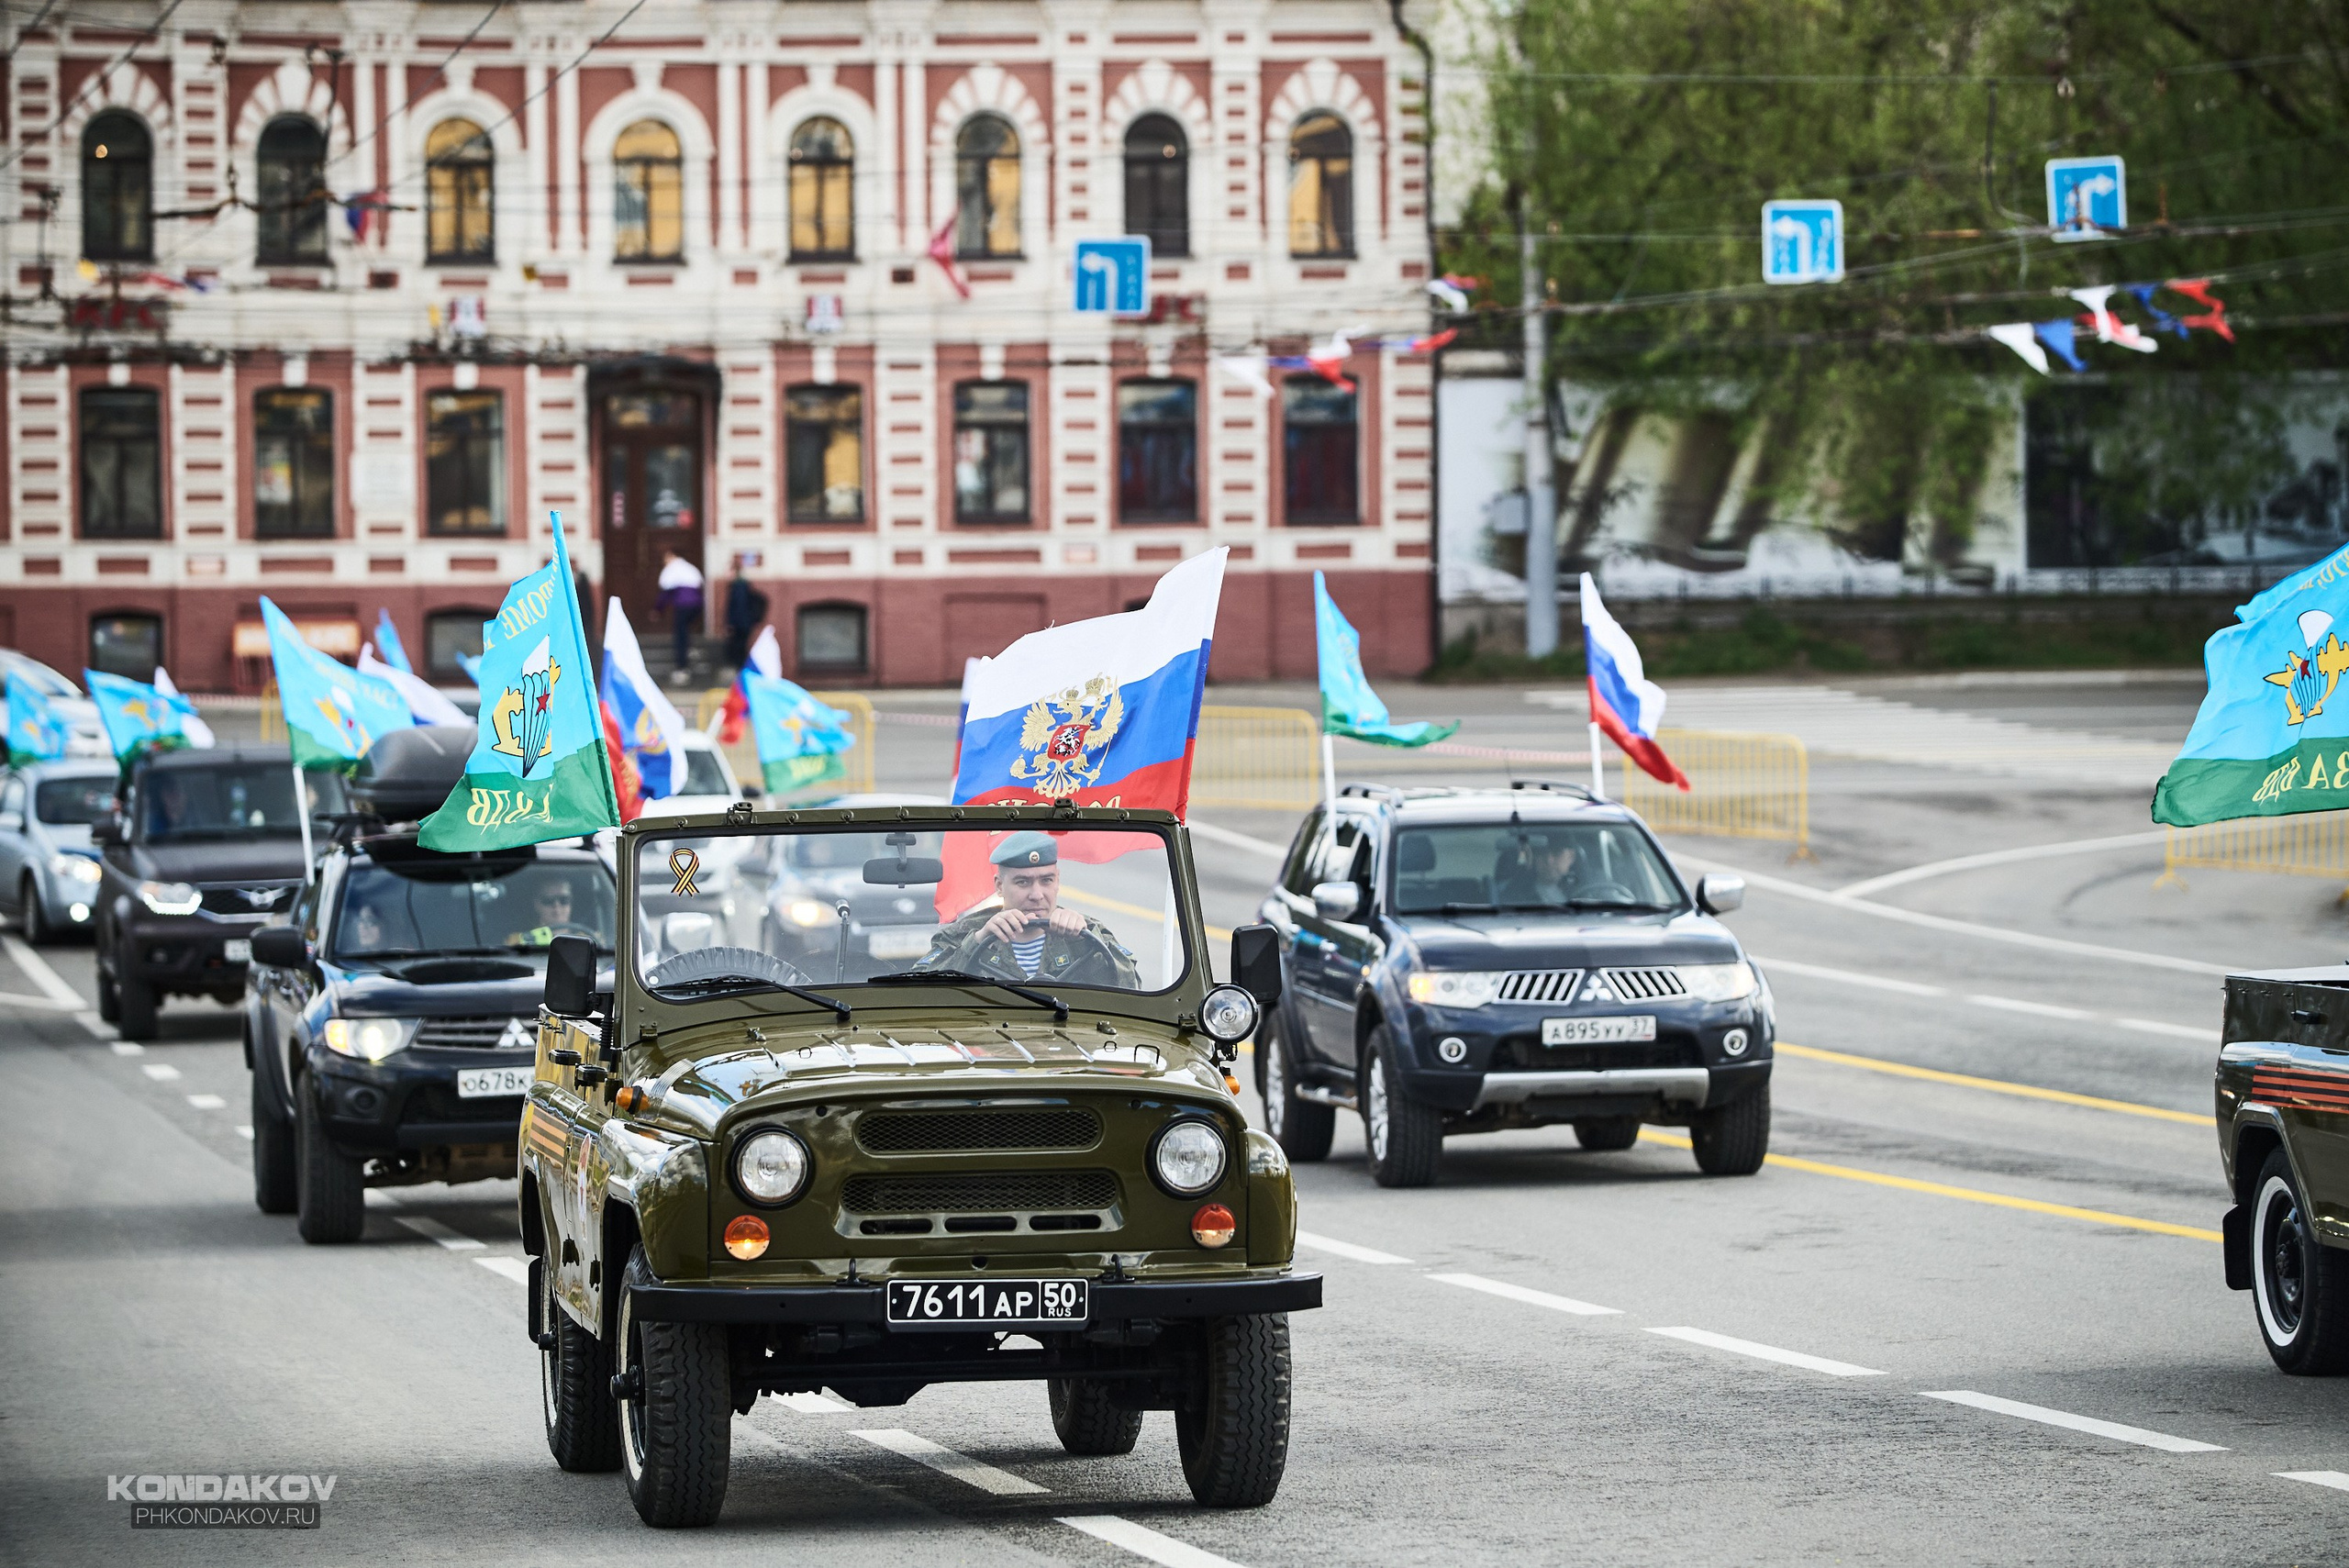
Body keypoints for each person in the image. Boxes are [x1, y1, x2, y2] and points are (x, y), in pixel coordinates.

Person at [917, 832, 1140, 988]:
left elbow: (1132, 987)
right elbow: (917, 990)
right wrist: (978, 941)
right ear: (999, 886)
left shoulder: (1089, 933)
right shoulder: (962, 934)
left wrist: (1080, 942)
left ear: (1058, 882)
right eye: (1023, 882)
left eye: (1046, 880)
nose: (1036, 894)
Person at [656, 548, 706, 685]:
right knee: (685, 630)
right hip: (697, 605)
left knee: (680, 634)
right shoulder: (689, 568)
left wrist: (658, 610)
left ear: (671, 555)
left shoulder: (671, 569)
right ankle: (689, 650)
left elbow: (665, 592)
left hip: (683, 605)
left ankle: (682, 666)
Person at [722, 553, 769, 668]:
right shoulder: (740, 585)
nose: (726, 573)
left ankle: (740, 673)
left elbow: (738, 606)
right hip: (744, 623)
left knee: (738, 649)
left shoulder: (739, 586)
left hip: (741, 624)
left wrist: (732, 623)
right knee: (739, 648)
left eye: (728, 570)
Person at [510, 876, 579, 948]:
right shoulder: (519, 940)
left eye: (564, 900)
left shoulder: (586, 939)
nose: (557, 908)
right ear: (536, 904)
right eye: (548, 900)